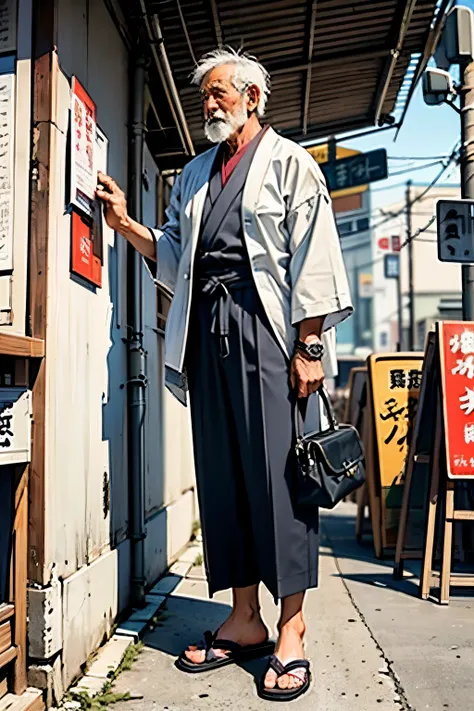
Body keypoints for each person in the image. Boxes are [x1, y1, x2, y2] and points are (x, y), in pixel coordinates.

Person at [97, 47, 352, 702]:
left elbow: (315, 256)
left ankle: (290, 630)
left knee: (281, 483)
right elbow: (177, 255)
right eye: (204, 95)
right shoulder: (194, 174)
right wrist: (127, 224)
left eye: (219, 92)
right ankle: (244, 617)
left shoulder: (291, 164)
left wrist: (311, 345)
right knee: (224, 478)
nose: (208, 103)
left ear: (252, 98)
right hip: (208, 340)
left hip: (270, 337)